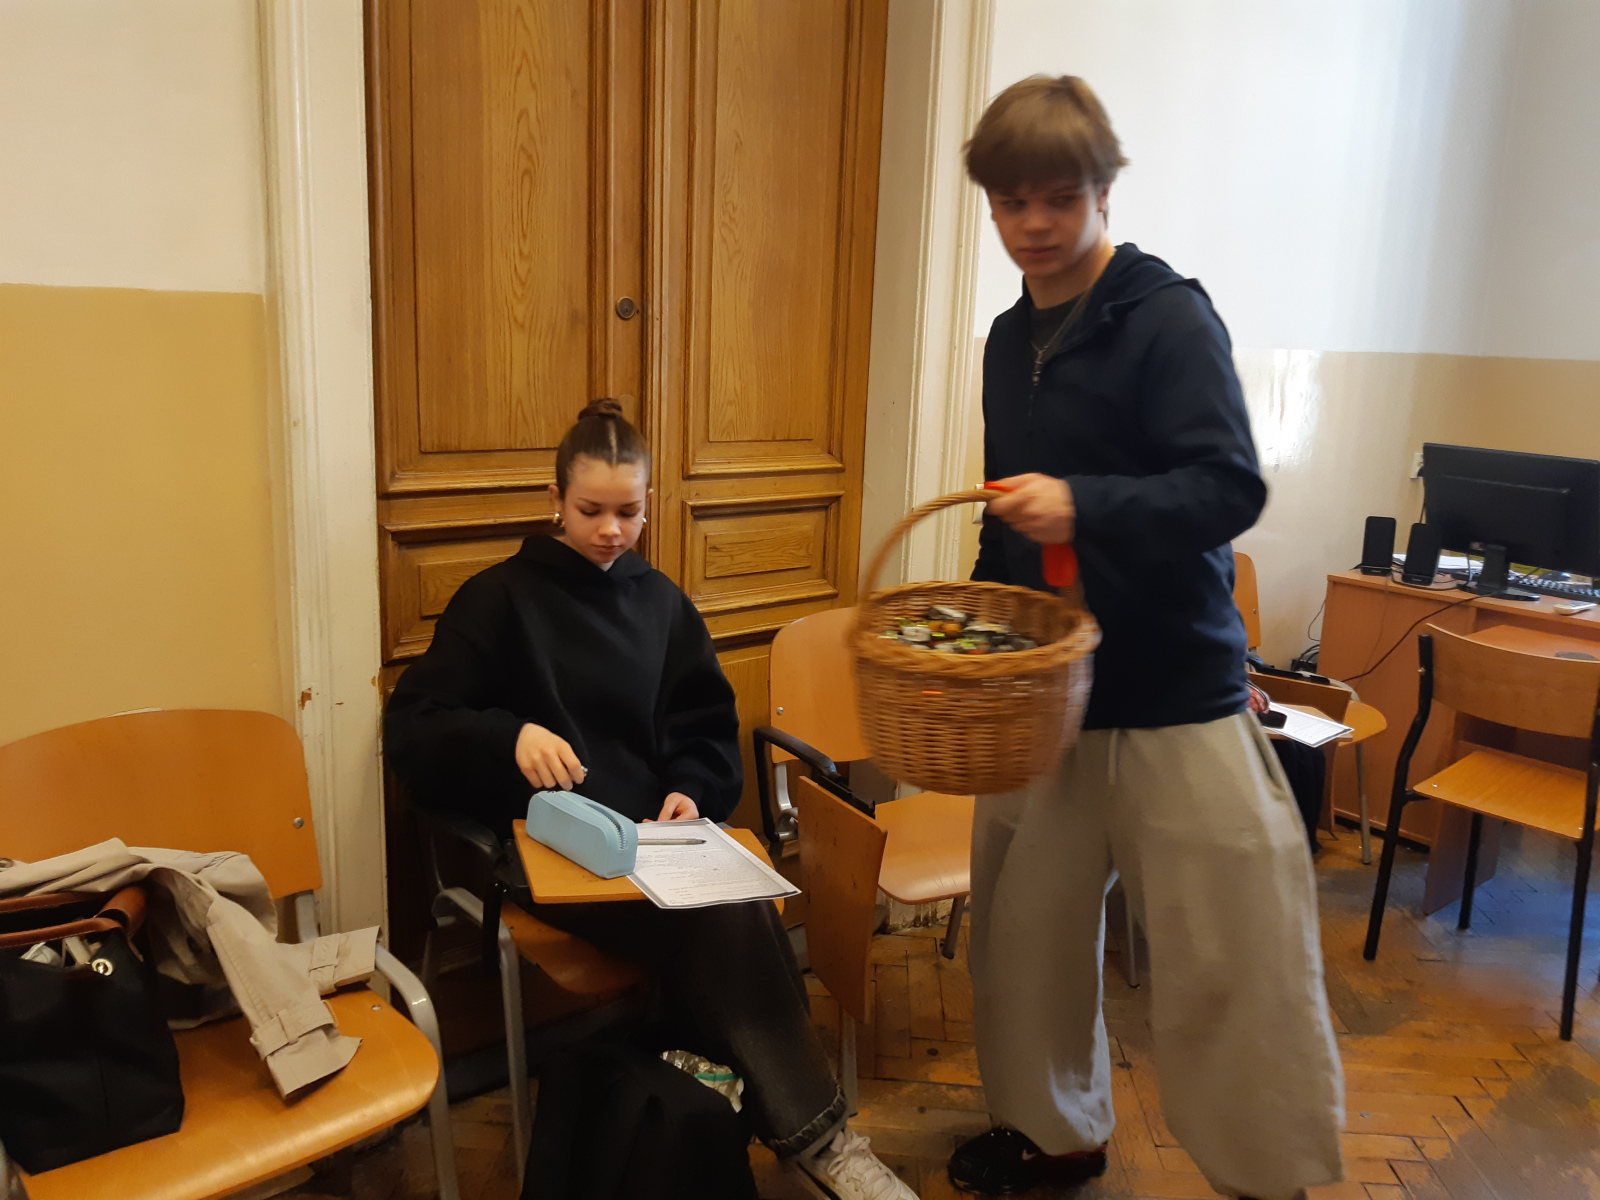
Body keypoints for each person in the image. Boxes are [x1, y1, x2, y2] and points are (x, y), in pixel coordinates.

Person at [947, 78, 1344, 1200]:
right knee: (1024, 943)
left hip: (1175, 694)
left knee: (1235, 954)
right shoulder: (1006, 339)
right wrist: (981, 624)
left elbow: (1227, 489)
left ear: (1104, 191)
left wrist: (1084, 506)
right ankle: (1055, 1138)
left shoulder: (1167, 318)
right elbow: (1005, 511)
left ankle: (1267, 1175)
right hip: (1045, 701)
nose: (1033, 223)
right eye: (1011, 202)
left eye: (1058, 198)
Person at [385, 398, 918, 1200]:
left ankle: (760, 1127)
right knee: (724, 918)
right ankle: (822, 1142)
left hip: (660, 843)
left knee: (738, 900)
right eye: (590, 510)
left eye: (628, 512)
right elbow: (414, 727)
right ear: (555, 501)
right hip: (558, 853)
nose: (611, 531)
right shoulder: (499, 599)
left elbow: (703, 726)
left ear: (648, 504)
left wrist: (689, 790)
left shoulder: (661, 602)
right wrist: (508, 736)